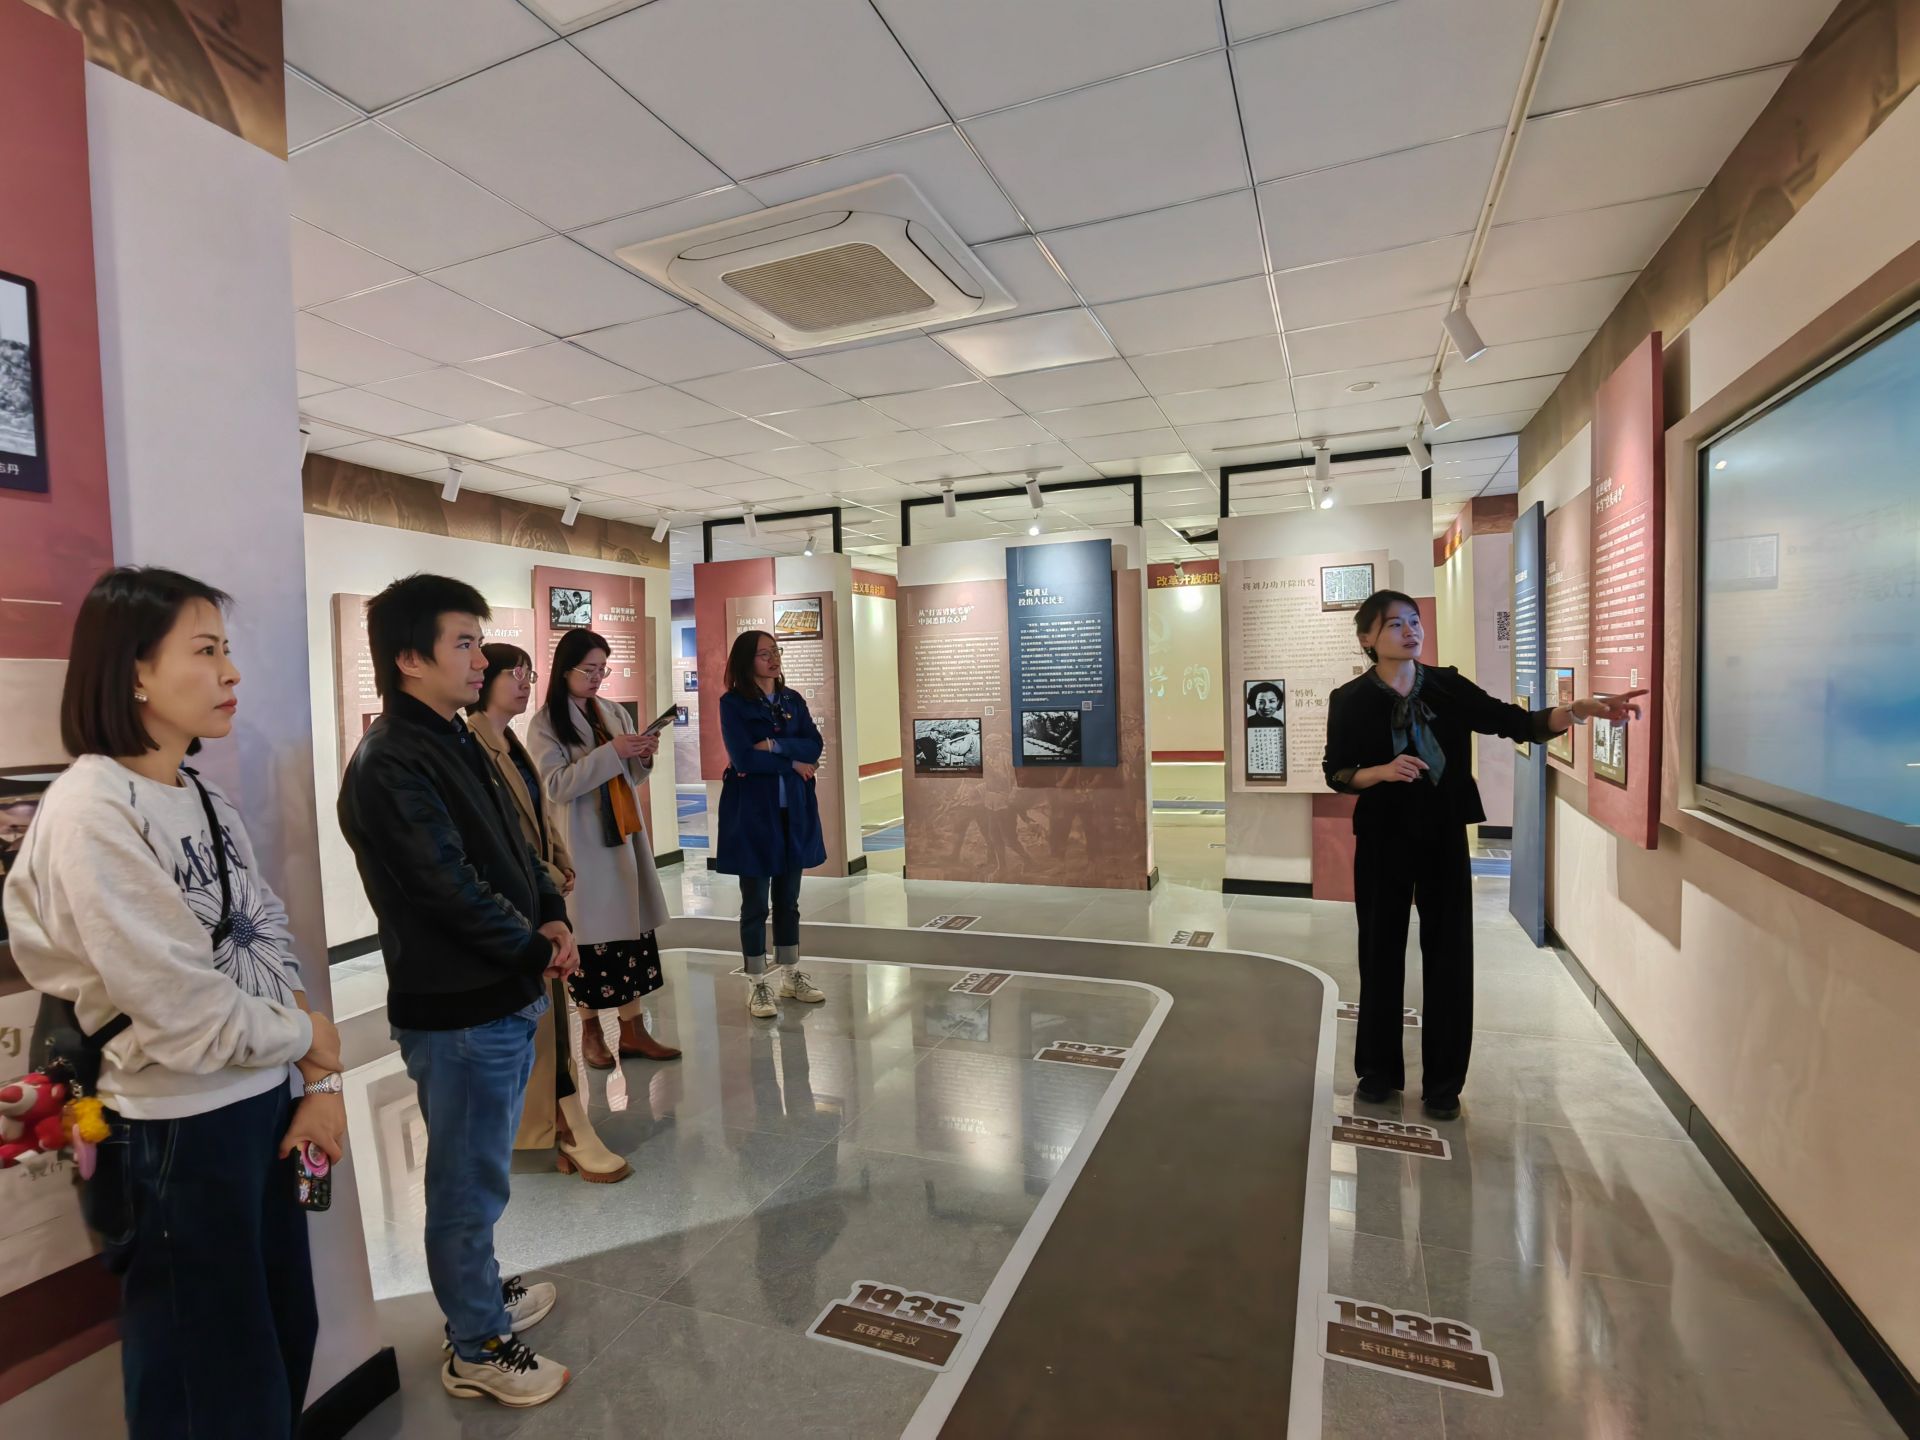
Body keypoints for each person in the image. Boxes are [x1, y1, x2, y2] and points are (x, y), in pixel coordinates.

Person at [2, 567, 345, 1440]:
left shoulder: (203, 796)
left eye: (226, 650)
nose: (232, 672)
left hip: (263, 1105)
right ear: (134, 674)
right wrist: (308, 1035)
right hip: (173, 1132)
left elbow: (263, 934)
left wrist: (318, 1083)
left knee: (279, 1346)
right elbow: (182, 1013)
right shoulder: (90, 811)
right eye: (205, 651)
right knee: (210, 1389)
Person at [336, 575, 578, 1408]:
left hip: (500, 989)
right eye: (464, 643)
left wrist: (549, 912)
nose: (482, 659)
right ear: (410, 658)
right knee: (466, 1187)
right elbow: (445, 886)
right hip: (459, 1007)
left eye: (480, 641)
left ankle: (480, 1296)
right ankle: (476, 1344)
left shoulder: (457, 737)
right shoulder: (390, 762)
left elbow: (515, 840)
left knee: (481, 1175)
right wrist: (532, 946)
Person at [1322, 590, 1643, 1122]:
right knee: (1379, 952)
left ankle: (1443, 1084)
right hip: (1383, 837)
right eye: (1395, 624)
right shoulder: (1350, 699)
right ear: (1367, 638)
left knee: (1449, 955)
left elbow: (1510, 721)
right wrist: (1380, 771)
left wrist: (1573, 712)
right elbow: (1336, 771)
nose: (1410, 631)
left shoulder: (1446, 686)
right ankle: (1377, 1072)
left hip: (1442, 833)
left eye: (1414, 621)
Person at [466, 644, 630, 1184]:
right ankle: (560, 1124)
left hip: (540, 893)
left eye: (528, 672)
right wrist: (545, 875)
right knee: (536, 1026)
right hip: (512, 905)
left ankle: (560, 1121)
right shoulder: (472, 744)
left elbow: (538, 814)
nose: (524, 682)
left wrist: (556, 863)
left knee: (549, 1021)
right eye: (513, 673)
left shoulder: (508, 739)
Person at [527, 629, 679, 1071]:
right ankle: (591, 1030)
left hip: (624, 837)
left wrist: (642, 755)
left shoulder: (612, 711)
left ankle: (633, 1030)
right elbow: (556, 786)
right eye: (589, 669)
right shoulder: (545, 723)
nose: (597, 677)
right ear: (565, 670)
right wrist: (613, 752)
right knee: (590, 941)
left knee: (631, 935)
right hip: (585, 842)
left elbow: (630, 776)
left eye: (602, 669)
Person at [713, 630, 828, 1018]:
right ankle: (756, 981)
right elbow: (744, 759)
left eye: (775, 651)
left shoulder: (792, 699)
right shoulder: (733, 704)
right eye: (764, 654)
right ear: (746, 661)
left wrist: (776, 746)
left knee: (788, 900)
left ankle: (791, 974)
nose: (773, 659)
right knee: (755, 903)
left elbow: (814, 744)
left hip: (792, 811)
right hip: (753, 814)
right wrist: (792, 762)